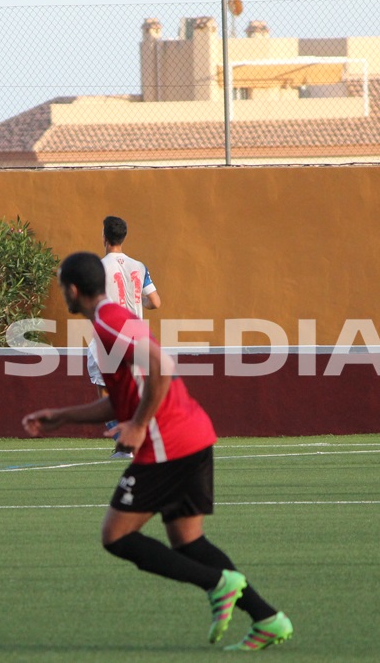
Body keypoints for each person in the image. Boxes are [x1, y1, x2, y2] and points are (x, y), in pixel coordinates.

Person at [23, 252, 293, 651]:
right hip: (193, 435)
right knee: (188, 541)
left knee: (116, 536)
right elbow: (122, 400)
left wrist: (138, 425)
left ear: (73, 290)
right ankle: (269, 618)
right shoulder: (112, 318)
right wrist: (62, 416)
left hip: (169, 443)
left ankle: (218, 583)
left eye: (62, 285)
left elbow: (162, 368)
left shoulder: (108, 322)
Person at [86, 216, 161, 458]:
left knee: (104, 390)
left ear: (104, 237)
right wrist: (139, 302)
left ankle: (125, 443)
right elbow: (156, 303)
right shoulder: (139, 266)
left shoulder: (98, 267)